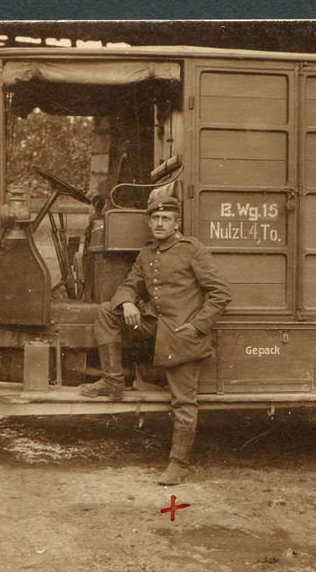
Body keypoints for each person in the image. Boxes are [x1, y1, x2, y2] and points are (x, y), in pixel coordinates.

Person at [80, 195, 232, 485]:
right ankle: (112, 382)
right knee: (107, 311)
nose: (160, 223)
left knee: (183, 402)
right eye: (155, 219)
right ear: (149, 223)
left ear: (177, 223)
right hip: (154, 324)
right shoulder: (147, 252)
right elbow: (129, 284)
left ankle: (178, 464)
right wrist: (127, 302)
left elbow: (221, 293)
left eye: (166, 219)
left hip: (182, 335)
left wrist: (197, 326)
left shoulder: (192, 249)